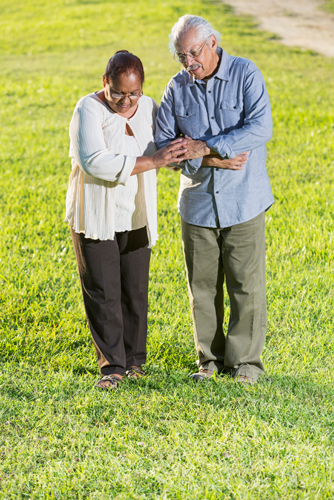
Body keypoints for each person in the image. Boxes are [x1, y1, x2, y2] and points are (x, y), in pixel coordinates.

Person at [155, 15, 274, 384]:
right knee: (202, 289)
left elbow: (260, 127)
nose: (189, 63)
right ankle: (208, 361)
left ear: (213, 42)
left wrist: (204, 144)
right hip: (198, 205)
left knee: (245, 286)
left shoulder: (246, 73)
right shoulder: (176, 88)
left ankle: (245, 365)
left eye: (193, 53)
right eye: (181, 56)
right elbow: (163, 145)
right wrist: (209, 158)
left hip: (243, 201)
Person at [65, 50, 187, 389]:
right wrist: (154, 160)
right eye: (118, 92)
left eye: (134, 93)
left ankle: (135, 361)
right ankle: (112, 367)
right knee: (104, 292)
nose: (126, 100)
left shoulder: (148, 108)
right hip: (96, 214)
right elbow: (96, 161)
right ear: (105, 81)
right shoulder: (88, 109)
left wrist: (183, 155)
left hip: (136, 211)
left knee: (135, 290)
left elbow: (167, 146)